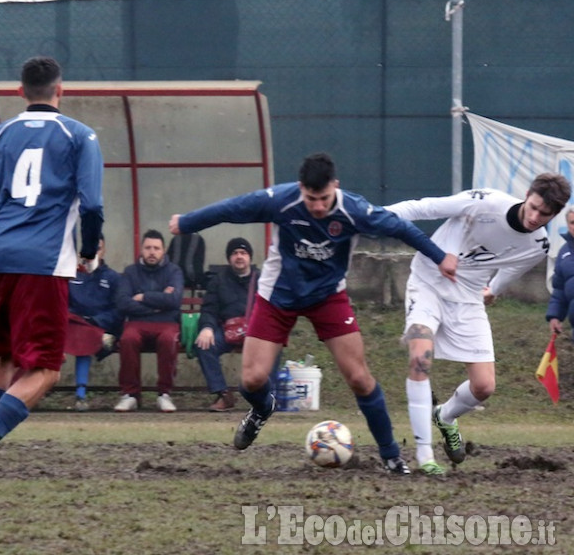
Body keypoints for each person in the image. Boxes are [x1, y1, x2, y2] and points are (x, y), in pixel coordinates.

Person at [169, 152, 458, 475]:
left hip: (327, 298)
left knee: (360, 379)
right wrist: (187, 222)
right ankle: (263, 408)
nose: (318, 206)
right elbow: (232, 208)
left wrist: (439, 256)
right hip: (278, 296)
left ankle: (392, 457)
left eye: (323, 198)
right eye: (310, 198)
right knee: (251, 379)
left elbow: (401, 229)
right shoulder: (281, 200)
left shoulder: (354, 209)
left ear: (335, 186)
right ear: (300, 188)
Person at [0, 55, 104, 489]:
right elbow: (92, 205)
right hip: (44, 263)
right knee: (46, 369)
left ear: (20, 93)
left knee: (5, 357)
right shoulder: (81, 136)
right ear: (60, 90)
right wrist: (87, 251)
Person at [387, 174, 571, 476]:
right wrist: (373, 216)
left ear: (555, 214)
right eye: (534, 207)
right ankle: (424, 454)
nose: (536, 217)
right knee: (420, 357)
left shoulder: (538, 246)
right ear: (527, 195)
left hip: (468, 298)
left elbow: (511, 270)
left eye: (545, 214)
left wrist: (493, 290)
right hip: (428, 283)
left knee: (484, 386)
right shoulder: (485, 202)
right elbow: (425, 208)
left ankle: (445, 416)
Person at [114, 229, 184, 412]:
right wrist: (158, 303)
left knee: (168, 340)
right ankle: (130, 394)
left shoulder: (174, 271)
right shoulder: (130, 272)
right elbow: (122, 302)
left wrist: (143, 297)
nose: (152, 252)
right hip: (136, 323)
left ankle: (164, 394)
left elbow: (174, 300)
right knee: (128, 339)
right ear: (141, 249)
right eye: (148, 248)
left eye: (156, 248)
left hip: (167, 323)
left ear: (164, 250)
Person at [194, 237, 259, 412]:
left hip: (256, 332)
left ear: (250, 257)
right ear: (229, 258)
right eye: (235, 253)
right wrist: (207, 328)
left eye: (243, 253)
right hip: (228, 330)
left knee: (274, 346)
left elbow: (273, 307)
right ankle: (223, 394)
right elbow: (209, 309)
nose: (239, 256)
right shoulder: (218, 280)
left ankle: (266, 396)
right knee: (204, 345)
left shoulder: (262, 279)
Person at [66, 234, 123, 411]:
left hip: (98, 327)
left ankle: (80, 396)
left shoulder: (113, 278)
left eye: (97, 248)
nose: (92, 252)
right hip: (73, 326)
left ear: (104, 250)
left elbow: (118, 311)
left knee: (85, 336)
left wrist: (95, 320)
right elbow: (62, 304)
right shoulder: (70, 275)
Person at [547, 207, 574, 338]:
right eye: (573, 222)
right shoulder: (564, 253)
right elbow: (559, 289)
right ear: (568, 225)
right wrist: (555, 316)